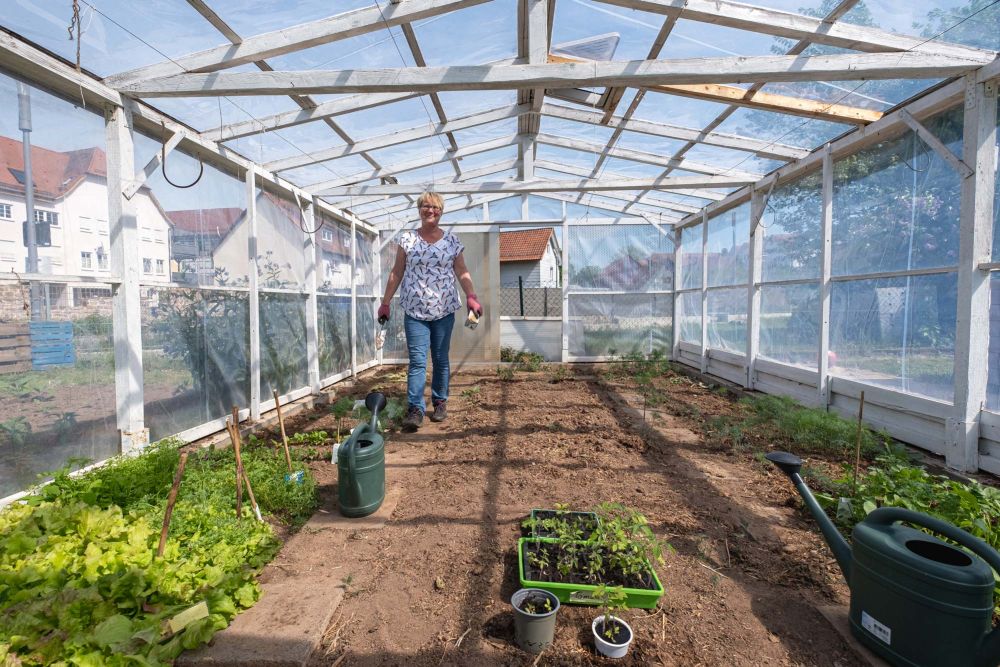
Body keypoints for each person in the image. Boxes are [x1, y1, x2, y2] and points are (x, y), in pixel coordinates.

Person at [378, 192, 483, 432]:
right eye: (426, 206)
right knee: (417, 361)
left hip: (444, 310)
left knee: (440, 359)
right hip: (415, 310)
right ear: (419, 209)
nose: (431, 211)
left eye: (435, 207)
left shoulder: (452, 242)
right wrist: (385, 302)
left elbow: (462, 271)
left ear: (441, 211)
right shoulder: (407, 240)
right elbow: (397, 272)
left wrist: (471, 296)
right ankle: (415, 409)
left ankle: (440, 402)